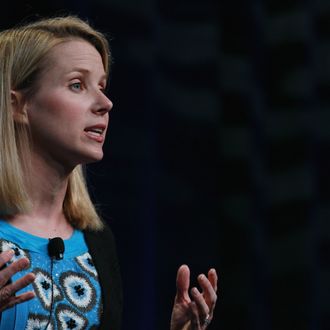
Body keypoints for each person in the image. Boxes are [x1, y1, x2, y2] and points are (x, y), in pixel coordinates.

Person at [0, 15, 218, 329]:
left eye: (102, 87)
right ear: (17, 106)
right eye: (77, 85)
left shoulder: (97, 243)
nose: (105, 103)